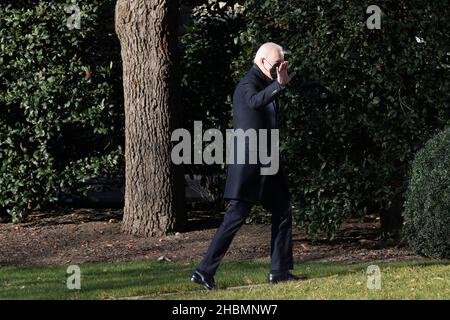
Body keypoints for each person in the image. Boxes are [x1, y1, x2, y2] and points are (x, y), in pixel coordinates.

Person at [191, 42, 302, 290]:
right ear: (262, 62)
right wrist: (279, 86)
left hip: (266, 163)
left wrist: (279, 84)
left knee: (283, 209)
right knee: (235, 217)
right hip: (250, 165)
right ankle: (203, 271)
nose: (280, 69)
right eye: (276, 65)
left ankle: (279, 271)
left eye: (282, 64)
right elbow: (254, 101)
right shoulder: (247, 85)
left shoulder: (266, 82)